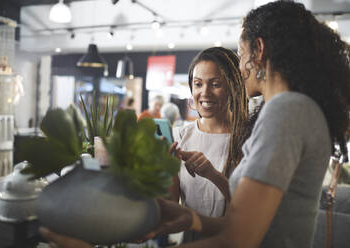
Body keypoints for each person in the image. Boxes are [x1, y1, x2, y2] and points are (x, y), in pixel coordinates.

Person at [39, 1, 350, 247]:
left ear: (259, 50)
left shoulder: (287, 110)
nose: (241, 67)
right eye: (198, 84)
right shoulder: (294, 109)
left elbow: (237, 242)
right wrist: (190, 218)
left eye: (241, 54)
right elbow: (247, 229)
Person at [168, 47, 249, 242]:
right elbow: (171, 207)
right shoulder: (180, 136)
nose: (204, 93)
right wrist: (164, 171)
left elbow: (249, 209)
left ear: (233, 87)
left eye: (215, 84)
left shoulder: (247, 138)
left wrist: (213, 175)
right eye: (198, 84)